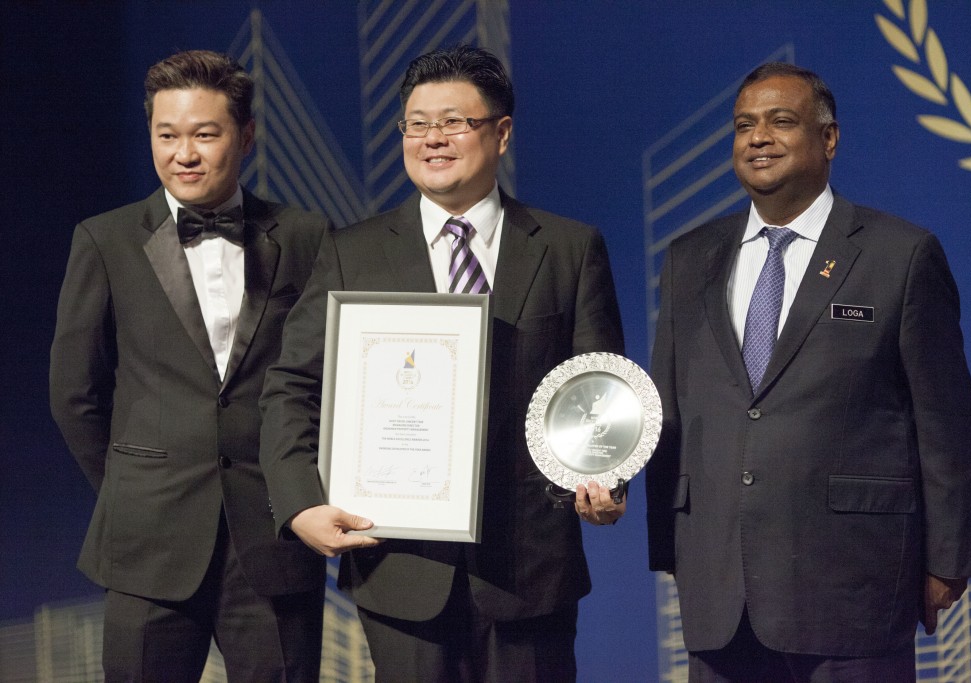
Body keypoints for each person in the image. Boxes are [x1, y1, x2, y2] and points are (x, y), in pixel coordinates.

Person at [259, 44, 625, 682]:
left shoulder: (569, 248)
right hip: (398, 569)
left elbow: (599, 387)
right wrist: (300, 503)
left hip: (528, 569)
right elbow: (292, 387)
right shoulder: (352, 253)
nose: (433, 139)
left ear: (501, 132)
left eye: (455, 122)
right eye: (417, 123)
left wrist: (608, 482)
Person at [645, 62, 971, 681]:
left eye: (781, 121)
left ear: (828, 139)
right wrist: (659, 534)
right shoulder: (690, 258)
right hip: (721, 589)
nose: (758, 138)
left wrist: (949, 557)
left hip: (853, 586)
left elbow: (947, 422)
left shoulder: (900, 255)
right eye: (744, 125)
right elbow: (667, 409)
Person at [49, 50, 329, 681]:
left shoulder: (307, 235)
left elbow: (326, 382)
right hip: (147, 541)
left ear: (246, 135)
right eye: (166, 134)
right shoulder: (106, 239)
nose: (184, 153)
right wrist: (131, 486)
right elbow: (74, 394)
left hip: (273, 538)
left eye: (205, 134)